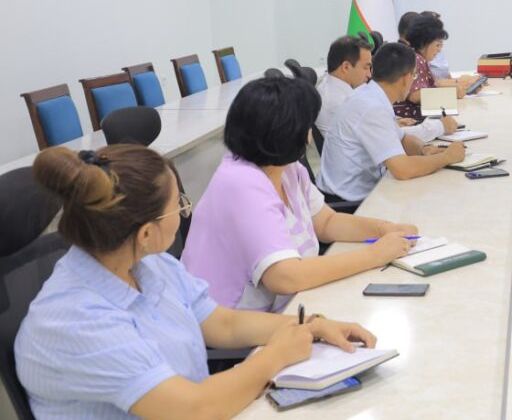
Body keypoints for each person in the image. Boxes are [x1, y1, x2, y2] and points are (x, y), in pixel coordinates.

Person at [15, 145, 377, 419]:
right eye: (179, 205)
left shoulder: (148, 263)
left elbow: (223, 323)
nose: (184, 212)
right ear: (145, 233)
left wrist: (309, 326)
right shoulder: (76, 322)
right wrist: (276, 355)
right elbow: (195, 409)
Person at [182, 76, 418, 312]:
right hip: (231, 321)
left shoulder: (286, 169)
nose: (309, 135)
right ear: (287, 132)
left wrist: (383, 229)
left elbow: (326, 222)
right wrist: (374, 254)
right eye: (307, 126)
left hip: (284, 307)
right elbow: (285, 277)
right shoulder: (241, 183)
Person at [320, 43, 466, 201]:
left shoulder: (372, 94)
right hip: (350, 202)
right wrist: (447, 157)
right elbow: (402, 170)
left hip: (361, 189)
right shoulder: (371, 107)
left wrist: (424, 149)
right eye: (414, 76)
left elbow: (402, 138)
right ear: (406, 78)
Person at [395, 13, 480, 121]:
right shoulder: (416, 60)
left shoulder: (418, 58)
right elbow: (414, 95)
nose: (439, 50)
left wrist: (465, 89)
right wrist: (452, 94)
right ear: (423, 43)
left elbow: (435, 85)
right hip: (411, 121)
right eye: (438, 45)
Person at [316, 35, 373, 137]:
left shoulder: (327, 84)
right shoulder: (341, 104)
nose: (369, 75)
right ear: (346, 67)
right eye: (366, 68)